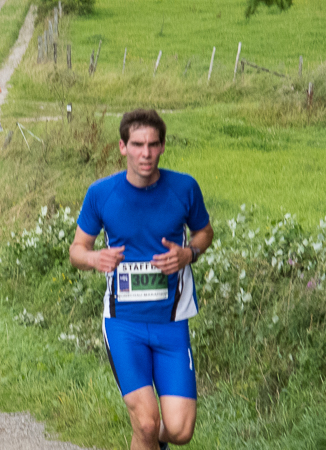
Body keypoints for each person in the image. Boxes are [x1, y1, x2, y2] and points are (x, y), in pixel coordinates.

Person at [69, 109, 214, 450]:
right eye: (137, 144)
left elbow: (204, 233)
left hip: (171, 323)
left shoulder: (184, 188)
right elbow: (77, 250)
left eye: (152, 144)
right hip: (124, 324)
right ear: (123, 147)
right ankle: (146, 435)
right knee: (147, 422)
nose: (145, 153)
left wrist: (189, 253)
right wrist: (94, 258)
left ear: (162, 146)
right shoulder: (101, 193)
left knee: (179, 431)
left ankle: (149, 439)